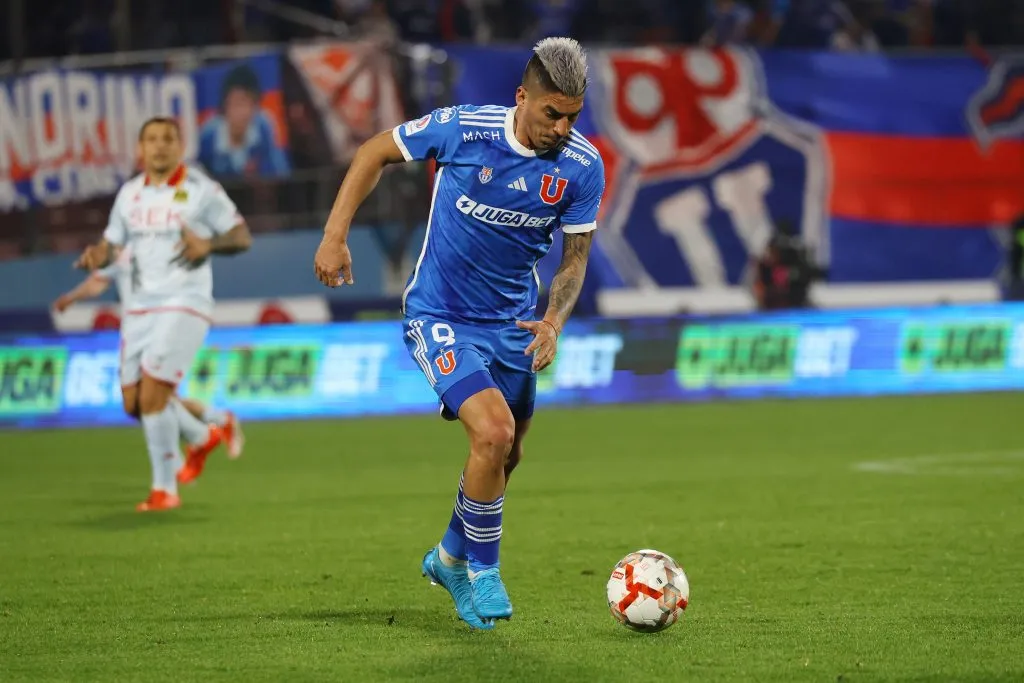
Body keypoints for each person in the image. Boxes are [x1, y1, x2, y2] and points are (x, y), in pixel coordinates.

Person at [313, 37, 605, 629]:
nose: (562, 127)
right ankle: (483, 571)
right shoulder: (462, 130)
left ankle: (449, 556)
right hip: (440, 315)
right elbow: (373, 151)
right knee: (494, 433)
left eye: (573, 116)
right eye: (552, 113)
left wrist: (552, 321)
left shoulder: (581, 166)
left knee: (507, 454)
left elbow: (574, 261)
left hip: (514, 324)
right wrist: (334, 234)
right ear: (522, 97)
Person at [75, 117, 253, 512]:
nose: (159, 146)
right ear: (140, 148)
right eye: (151, 140)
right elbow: (111, 243)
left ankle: (164, 490)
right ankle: (201, 435)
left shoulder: (201, 190)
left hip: (184, 301)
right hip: (139, 308)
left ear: (180, 145)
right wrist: (96, 255)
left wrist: (207, 244)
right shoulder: (129, 195)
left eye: (167, 139)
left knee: (155, 395)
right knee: (133, 403)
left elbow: (241, 236)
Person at [54, 245, 245, 468]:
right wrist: (71, 297)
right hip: (135, 333)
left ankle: (185, 455)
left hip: (163, 327)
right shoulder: (119, 246)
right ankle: (217, 424)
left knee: (154, 398)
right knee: (156, 400)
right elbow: (99, 280)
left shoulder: (163, 244)